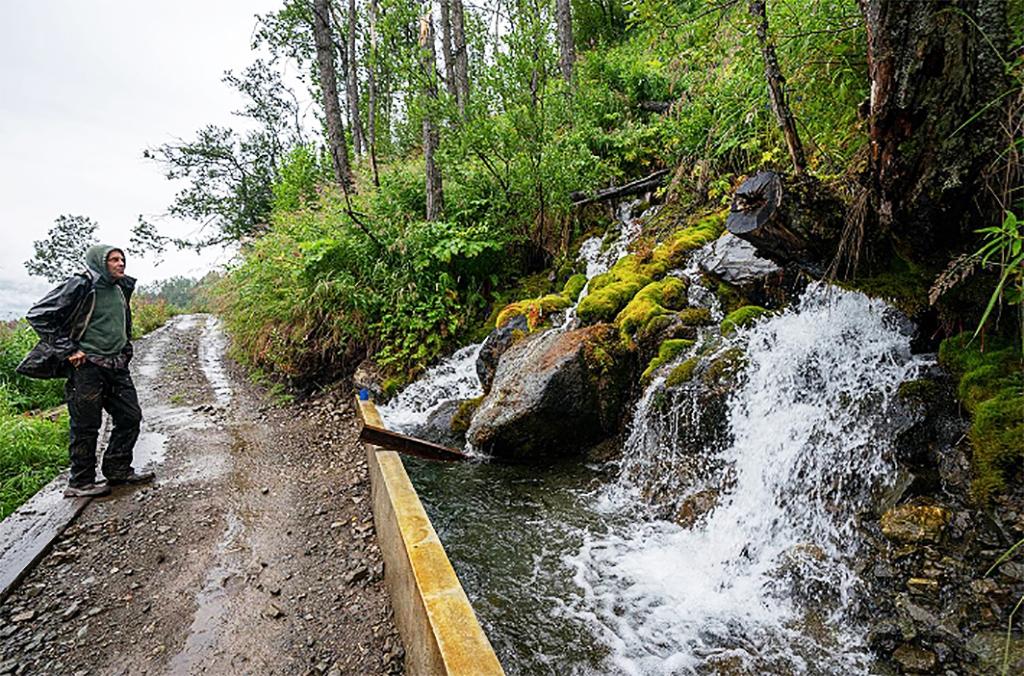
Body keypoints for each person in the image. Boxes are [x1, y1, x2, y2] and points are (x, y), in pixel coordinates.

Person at [18, 244, 155, 497]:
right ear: (100, 263)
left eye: (122, 259)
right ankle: (80, 482)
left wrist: (125, 349)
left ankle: (117, 469)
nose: (120, 263)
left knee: (130, 416)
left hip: (115, 365)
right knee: (86, 425)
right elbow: (39, 315)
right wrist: (69, 349)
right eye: (113, 259)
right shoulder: (81, 284)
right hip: (86, 368)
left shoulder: (121, 287)